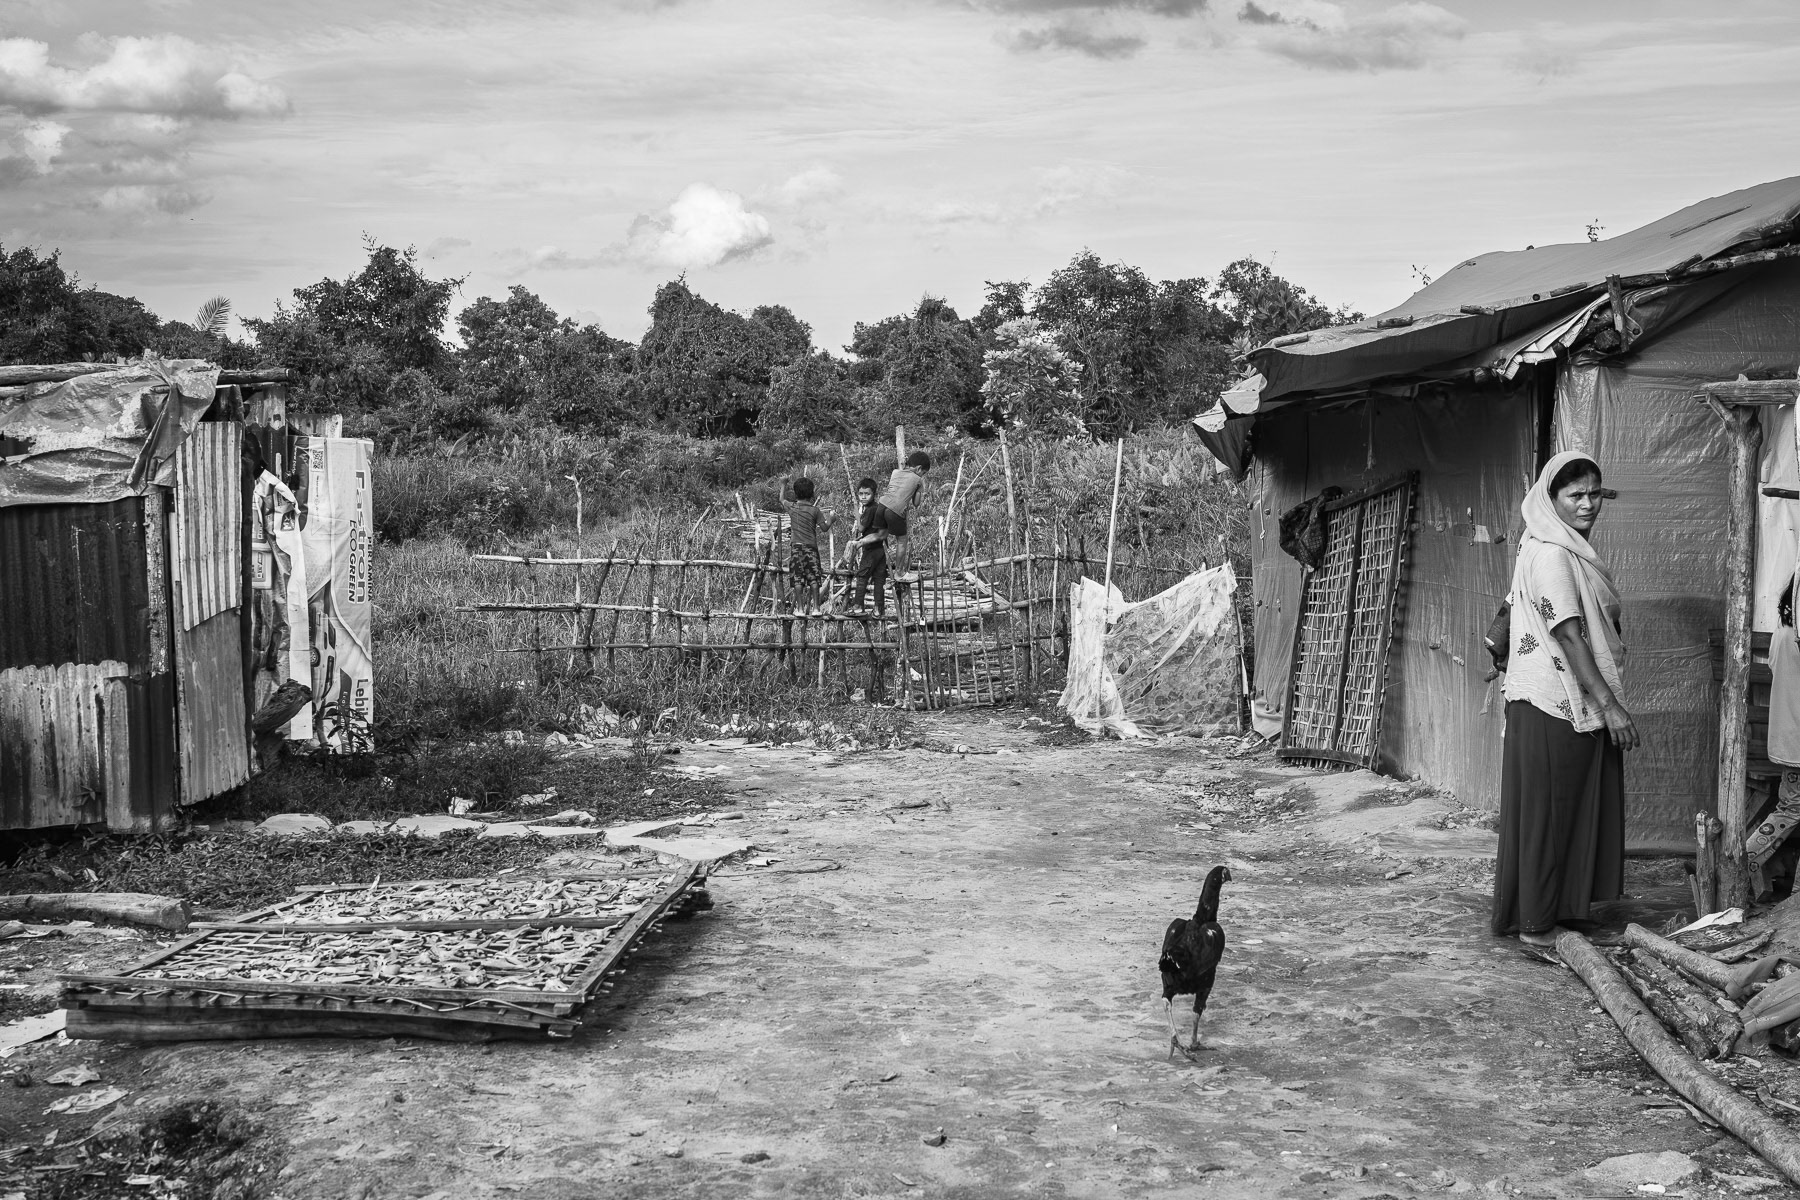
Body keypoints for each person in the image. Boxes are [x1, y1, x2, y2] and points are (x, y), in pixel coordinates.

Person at [1491, 450, 1639, 947]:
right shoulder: (1553, 554)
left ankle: (1559, 910)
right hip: (1554, 703)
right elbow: (1569, 634)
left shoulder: (1557, 548)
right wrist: (1610, 706)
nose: (1588, 504)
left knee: (1567, 809)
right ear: (1550, 499)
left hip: (1552, 701)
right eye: (1575, 495)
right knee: (1551, 813)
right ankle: (1537, 925)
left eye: (1595, 494)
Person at [781, 476, 833, 616]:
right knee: (814, 578)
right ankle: (816, 609)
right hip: (811, 548)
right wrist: (831, 519)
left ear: (795, 494)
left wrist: (783, 484)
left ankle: (800, 609)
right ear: (812, 494)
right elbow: (824, 528)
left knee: (797, 579)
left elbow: (781, 499)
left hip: (796, 548)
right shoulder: (815, 511)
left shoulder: (792, 507)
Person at [876, 450, 931, 579]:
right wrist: (920, 489)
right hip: (894, 510)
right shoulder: (918, 480)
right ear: (919, 469)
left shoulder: (895, 472)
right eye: (923, 473)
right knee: (902, 540)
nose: (922, 476)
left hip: (881, 506)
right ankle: (899, 572)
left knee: (880, 537)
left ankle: (875, 565)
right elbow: (916, 503)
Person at [840, 476, 888, 618]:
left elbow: (861, 528)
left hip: (871, 549)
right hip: (880, 549)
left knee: (862, 577)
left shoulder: (869, 509)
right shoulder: (877, 507)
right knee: (879, 579)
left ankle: (858, 607)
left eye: (867, 494)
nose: (863, 497)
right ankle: (878, 609)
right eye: (861, 494)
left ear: (874, 494)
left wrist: (857, 515)